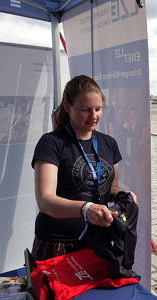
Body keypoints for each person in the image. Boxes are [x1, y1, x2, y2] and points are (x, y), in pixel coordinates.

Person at [31, 75, 135, 260]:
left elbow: (110, 189)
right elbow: (45, 201)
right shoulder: (52, 143)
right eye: (85, 110)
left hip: (96, 240)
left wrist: (122, 196)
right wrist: (86, 208)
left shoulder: (109, 143)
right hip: (57, 242)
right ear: (67, 107)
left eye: (98, 109)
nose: (93, 116)